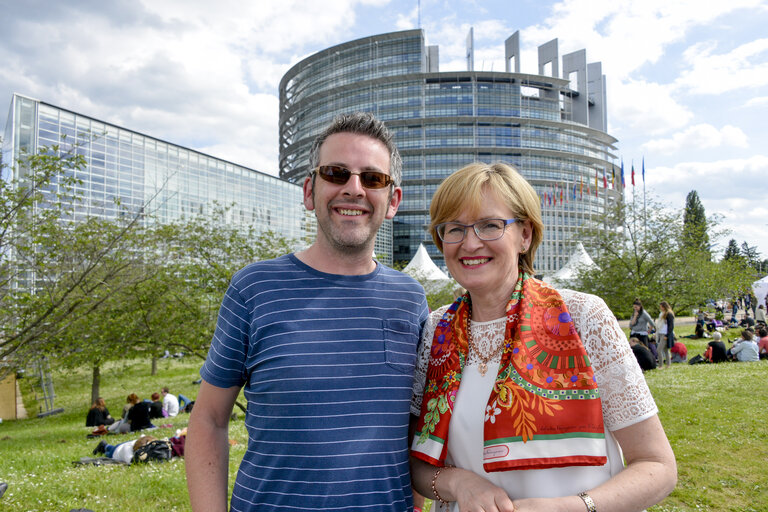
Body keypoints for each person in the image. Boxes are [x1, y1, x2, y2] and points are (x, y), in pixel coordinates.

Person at [185, 112, 429, 512]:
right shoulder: (254, 289)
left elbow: (414, 428)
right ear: (308, 192)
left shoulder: (411, 299)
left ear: (392, 202)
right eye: (336, 173)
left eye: (372, 178)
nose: (354, 189)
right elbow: (209, 419)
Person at [410, 163, 676, 512]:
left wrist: (573, 507)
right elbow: (416, 462)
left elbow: (658, 466)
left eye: (490, 225)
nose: (470, 243)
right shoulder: (435, 330)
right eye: (454, 229)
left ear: (525, 235)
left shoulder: (583, 316)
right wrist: (459, 483)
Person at [92, 435, 157, 464]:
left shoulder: (144, 440)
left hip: (125, 445)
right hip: (116, 452)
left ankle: (106, 445)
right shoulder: (127, 451)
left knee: (111, 447)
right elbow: (132, 462)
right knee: (108, 453)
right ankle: (104, 446)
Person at [656, 301, 675, 368]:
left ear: (664, 307)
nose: (660, 308)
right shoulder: (662, 313)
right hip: (661, 332)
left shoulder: (669, 314)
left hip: (665, 334)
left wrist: (667, 335)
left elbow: (671, 326)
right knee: (665, 350)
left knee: (659, 349)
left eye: (661, 307)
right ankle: (668, 364)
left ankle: (660, 365)